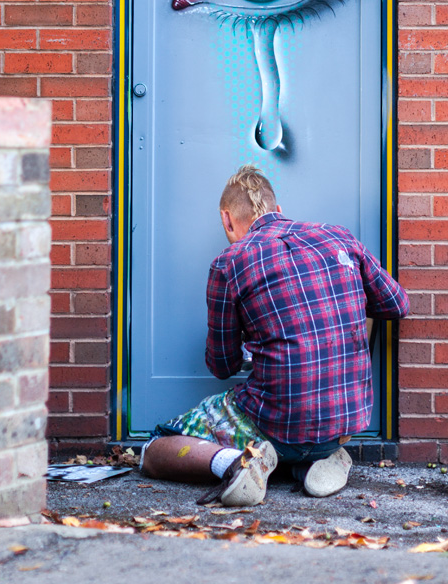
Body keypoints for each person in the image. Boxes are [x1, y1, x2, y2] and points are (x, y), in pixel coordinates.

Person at [141, 165, 410, 506]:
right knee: (363, 307)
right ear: (278, 211)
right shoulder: (340, 237)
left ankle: (236, 464)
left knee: (155, 447)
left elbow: (222, 365)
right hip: (346, 419)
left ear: (227, 219)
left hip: (279, 422)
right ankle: (317, 461)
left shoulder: (229, 262)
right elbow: (396, 304)